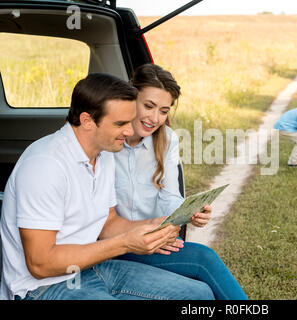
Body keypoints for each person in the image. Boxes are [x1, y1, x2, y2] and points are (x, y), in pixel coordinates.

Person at [0, 73, 215, 300]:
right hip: (41, 287)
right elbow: (40, 264)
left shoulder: (104, 155)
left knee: (198, 293)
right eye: (121, 124)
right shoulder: (45, 166)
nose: (130, 132)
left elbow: (108, 222)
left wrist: (155, 225)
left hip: (92, 268)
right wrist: (125, 243)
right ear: (87, 120)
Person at [113, 63, 247, 300]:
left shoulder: (167, 139)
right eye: (148, 106)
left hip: (156, 240)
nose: (155, 118)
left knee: (204, 276)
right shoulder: (108, 142)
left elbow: (170, 195)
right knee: (203, 260)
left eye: (164, 111)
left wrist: (187, 213)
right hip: (116, 244)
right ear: (131, 97)